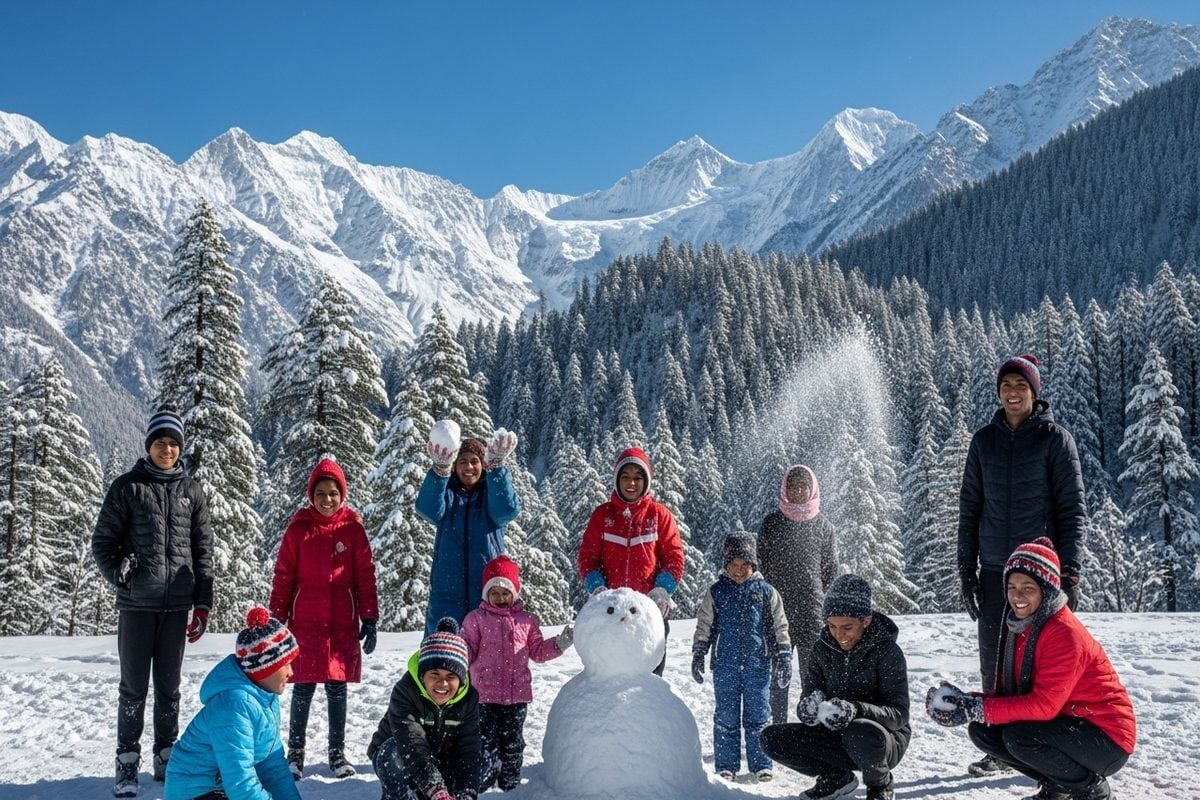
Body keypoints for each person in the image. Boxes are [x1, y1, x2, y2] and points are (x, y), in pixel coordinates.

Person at [958, 354, 1088, 777]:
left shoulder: (1054, 440)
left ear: (1034, 392)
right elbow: (970, 508)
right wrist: (966, 567)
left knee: (1040, 660)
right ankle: (1000, 747)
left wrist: (1071, 570)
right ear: (998, 392)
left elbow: (1072, 509)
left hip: (1041, 574)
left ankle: (1040, 743)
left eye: (1021, 385)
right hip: (996, 568)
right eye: (1006, 385)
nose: (1012, 392)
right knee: (995, 658)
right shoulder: (984, 441)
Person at [926, 538, 1136, 800]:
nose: (1017, 596)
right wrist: (967, 702)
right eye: (1012, 586)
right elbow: (1011, 698)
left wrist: (976, 708)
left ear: (1046, 590)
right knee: (984, 732)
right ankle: (1058, 785)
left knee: (1019, 737)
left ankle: (1090, 788)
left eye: (1028, 588)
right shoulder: (1021, 626)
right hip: (1068, 721)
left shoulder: (1063, 632)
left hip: (1106, 737)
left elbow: (1044, 705)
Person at [92, 407, 214, 797]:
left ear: (180, 449)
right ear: (149, 446)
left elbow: (202, 551)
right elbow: (102, 543)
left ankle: (166, 757)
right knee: (133, 689)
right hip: (136, 605)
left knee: (169, 687)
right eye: (161, 442)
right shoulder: (127, 487)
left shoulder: (191, 491)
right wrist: (119, 571)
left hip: (176, 607)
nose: (167, 449)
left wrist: (203, 603)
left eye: (174, 443)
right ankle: (127, 763)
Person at [269, 457, 379, 780]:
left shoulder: (353, 529)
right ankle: (295, 756)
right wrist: (277, 620)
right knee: (302, 689)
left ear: (341, 494)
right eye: (321, 493)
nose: (327, 499)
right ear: (311, 495)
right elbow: (284, 576)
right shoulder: (299, 529)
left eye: (333, 493)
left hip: (342, 625)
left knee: (337, 689)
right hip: (305, 625)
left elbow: (365, 577)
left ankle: (337, 754)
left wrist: (369, 617)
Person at [759, 574, 910, 800]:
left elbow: (899, 715)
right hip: (836, 735)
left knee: (860, 731)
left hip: (882, 740)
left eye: (847, 627)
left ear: (865, 621)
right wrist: (808, 708)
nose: (839, 635)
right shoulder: (821, 650)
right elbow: (810, 693)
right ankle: (835, 777)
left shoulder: (888, 652)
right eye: (832, 626)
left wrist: (856, 710)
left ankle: (880, 785)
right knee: (771, 738)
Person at [460, 555, 574, 791]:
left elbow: (538, 651)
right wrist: (456, 656)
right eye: (495, 592)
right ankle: (483, 783)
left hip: (517, 696)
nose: (500, 598)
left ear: (515, 592)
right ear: (486, 594)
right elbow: (467, 648)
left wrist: (561, 643)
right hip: (484, 697)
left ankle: (510, 785)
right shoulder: (476, 619)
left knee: (513, 742)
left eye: (505, 592)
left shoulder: (527, 621)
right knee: (486, 741)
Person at [163, 607, 301, 800]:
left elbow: (272, 765)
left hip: (220, 786)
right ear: (264, 667)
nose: (291, 672)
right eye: (284, 664)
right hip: (195, 791)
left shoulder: (265, 697)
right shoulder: (234, 706)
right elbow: (240, 782)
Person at [691, 532, 792, 782]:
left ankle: (761, 763)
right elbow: (705, 625)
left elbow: (780, 625)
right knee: (726, 715)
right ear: (725, 565)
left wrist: (784, 654)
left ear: (753, 565)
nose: (739, 570)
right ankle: (726, 764)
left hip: (758, 664)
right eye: (733, 565)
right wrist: (699, 652)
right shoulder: (716, 593)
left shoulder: (766, 592)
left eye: (744, 565)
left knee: (758, 714)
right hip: (725, 664)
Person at [578, 446, 684, 675]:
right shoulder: (603, 516)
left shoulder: (659, 516)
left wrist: (661, 592)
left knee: (649, 684)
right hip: (610, 615)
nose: (631, 483)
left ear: (646, 481)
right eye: (625, 477)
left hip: (649, 615)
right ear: (617, 479)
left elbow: (674, 558)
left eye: (638, 477)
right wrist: (597, 588)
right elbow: (588, 558)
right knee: (608, 680)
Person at [418, 429, 521, 634]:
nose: (469, 467)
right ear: (454, 466)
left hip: (486, 592)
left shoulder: (489, 496)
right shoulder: (447, 494)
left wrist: (497, 470)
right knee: (442, 652)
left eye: (474, 461)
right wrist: (439, 472)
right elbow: (428, 510)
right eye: (462, 461)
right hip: (446, 593)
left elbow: (507, 511)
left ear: (483, 465)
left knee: (488, 653)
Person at [368, 617, 482, 800]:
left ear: (460, 681)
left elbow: (468, 748)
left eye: (451, 676)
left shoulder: (469, 699)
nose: (442, 683)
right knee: (393, 754)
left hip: (440, 757)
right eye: (434, 674)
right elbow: (412, 743)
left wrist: (467, 793)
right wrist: (435, 787)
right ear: (422, 676)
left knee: (472, 763)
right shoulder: (406, 691)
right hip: (401, 754)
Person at [759, 464, 839, 725]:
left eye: (803, 486)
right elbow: (762, 563)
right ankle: (777, 728)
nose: (797, 491)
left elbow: (830, 572)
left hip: (812, 613)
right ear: (785, 489)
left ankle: (811, 729)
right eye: (792, 486)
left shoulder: (824, 527)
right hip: (777, 613)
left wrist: (818, 597)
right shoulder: (772, 523)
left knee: (812, 677)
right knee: (777, 675)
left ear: (812, 488)